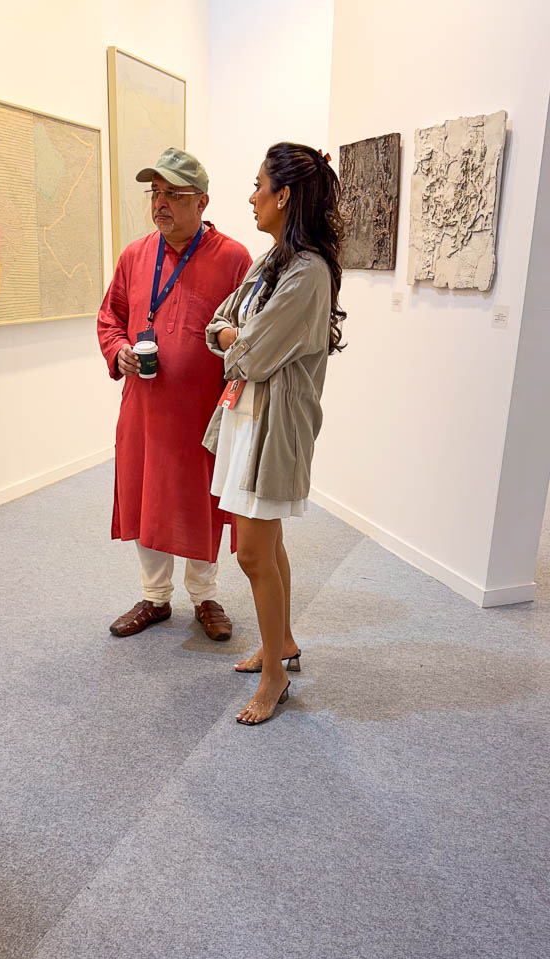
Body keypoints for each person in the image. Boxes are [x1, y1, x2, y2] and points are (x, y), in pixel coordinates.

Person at [203, 142, 347, 724]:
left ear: (283, 195)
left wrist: (235, 340)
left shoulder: (307, 272)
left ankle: (274, 677)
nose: (251, 196)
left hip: (274, 423)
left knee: (253, 553)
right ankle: (280, 643)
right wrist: (234, 338)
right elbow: (219, 322)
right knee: (269, 544)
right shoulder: (271, 262)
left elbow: (251, 355)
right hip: (247, 416)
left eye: (258, 185)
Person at [98, 147, 252, 639]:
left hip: (204, 413)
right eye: (155, 193)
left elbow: (251, 331)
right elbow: (110, 318)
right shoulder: (134, 255)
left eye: (173, 195)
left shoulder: (234, 258)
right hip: (144, 410)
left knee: (201, 503)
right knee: (146, 497)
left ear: (202, 201)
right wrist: (119, 350)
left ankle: (205, 596)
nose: (160, 204)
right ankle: (155, 597)